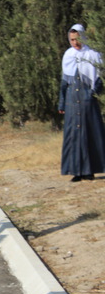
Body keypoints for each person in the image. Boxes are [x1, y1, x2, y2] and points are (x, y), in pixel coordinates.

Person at [58, 23, 105, 182]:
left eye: (77, 39)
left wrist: (92, 94)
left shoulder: (93, 54)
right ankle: (75, 171)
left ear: (83, 37)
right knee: (73, 135)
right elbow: (64, 81)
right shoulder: (68, 55)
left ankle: (89, 171)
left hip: (88, 99)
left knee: (89, 133)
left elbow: (99, 78)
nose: (75, 43)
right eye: (72, 40)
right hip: (72, 99)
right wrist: (62, 102)